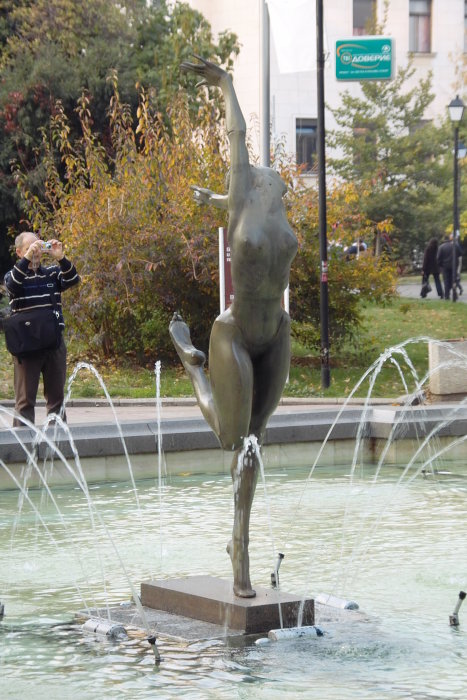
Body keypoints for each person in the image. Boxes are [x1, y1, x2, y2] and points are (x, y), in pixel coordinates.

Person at [169, 56, 298, 597]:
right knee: (232, 437)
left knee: (256, 443)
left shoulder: (276, 211)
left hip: (277, 332)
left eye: (267, 175)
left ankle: (237, 542)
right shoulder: (244, 199)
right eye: (257, 172)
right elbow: (238, 136)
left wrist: (217, 199)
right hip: (236, 334)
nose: (267, 173)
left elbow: (234, 199)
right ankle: (195, 367)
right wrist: (225, 85)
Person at [4, 231, 80, 426]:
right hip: (26, 345)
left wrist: (61, 258)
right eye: (31, 248)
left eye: (38, 246)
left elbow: (73, 280)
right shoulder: (13, 276)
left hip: (53, 344)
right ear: (20, 252)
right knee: (24, 402)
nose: (36, 251)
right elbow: (12, 285)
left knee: (56, 401)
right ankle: (23, 450)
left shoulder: (52, 273)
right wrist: (28, 259)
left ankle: (58, 445)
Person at [437, 233, 461, 300]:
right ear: (450, 239)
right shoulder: (454, 246)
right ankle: (454, 293)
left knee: (446, 281)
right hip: (454, 266)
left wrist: (440, 266)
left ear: (444, 240)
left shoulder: (441, 247)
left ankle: (447, 295)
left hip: (445, 266)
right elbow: (460, 253)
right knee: (453, 280)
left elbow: (438, 258)